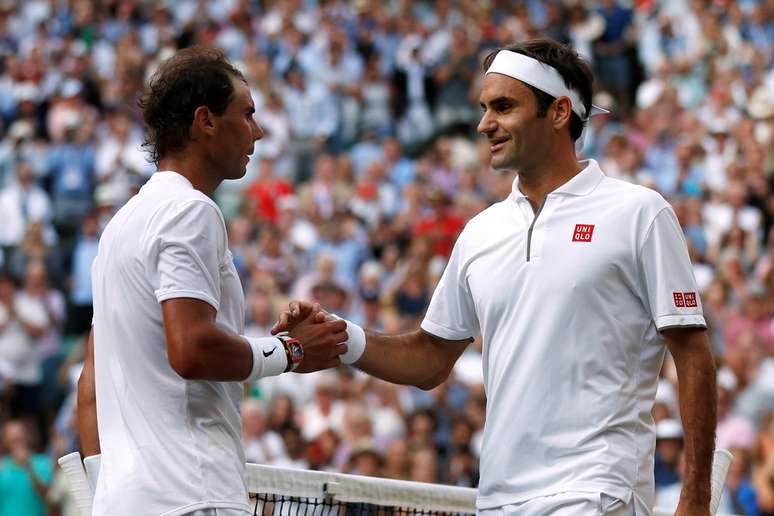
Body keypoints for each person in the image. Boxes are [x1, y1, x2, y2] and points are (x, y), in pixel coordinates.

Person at [275, 39, 717, 515]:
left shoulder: (639, 213)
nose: (485, 124)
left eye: (504, 107)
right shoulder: (481, 231)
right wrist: (342, 339)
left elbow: (691, 354)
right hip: (499, 500)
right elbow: (430, 358)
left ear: (560, 112)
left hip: (595, 492)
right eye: (485, 108)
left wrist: (694, 495)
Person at [76, 47, 348, 516]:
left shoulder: (118, 229)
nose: (258, 132)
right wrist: (291, 351)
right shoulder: (190, 211)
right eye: (246, 115)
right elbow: (192, 348)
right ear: (205, 121)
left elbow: (90, 387)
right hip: (192, 496)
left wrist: (105, 495)